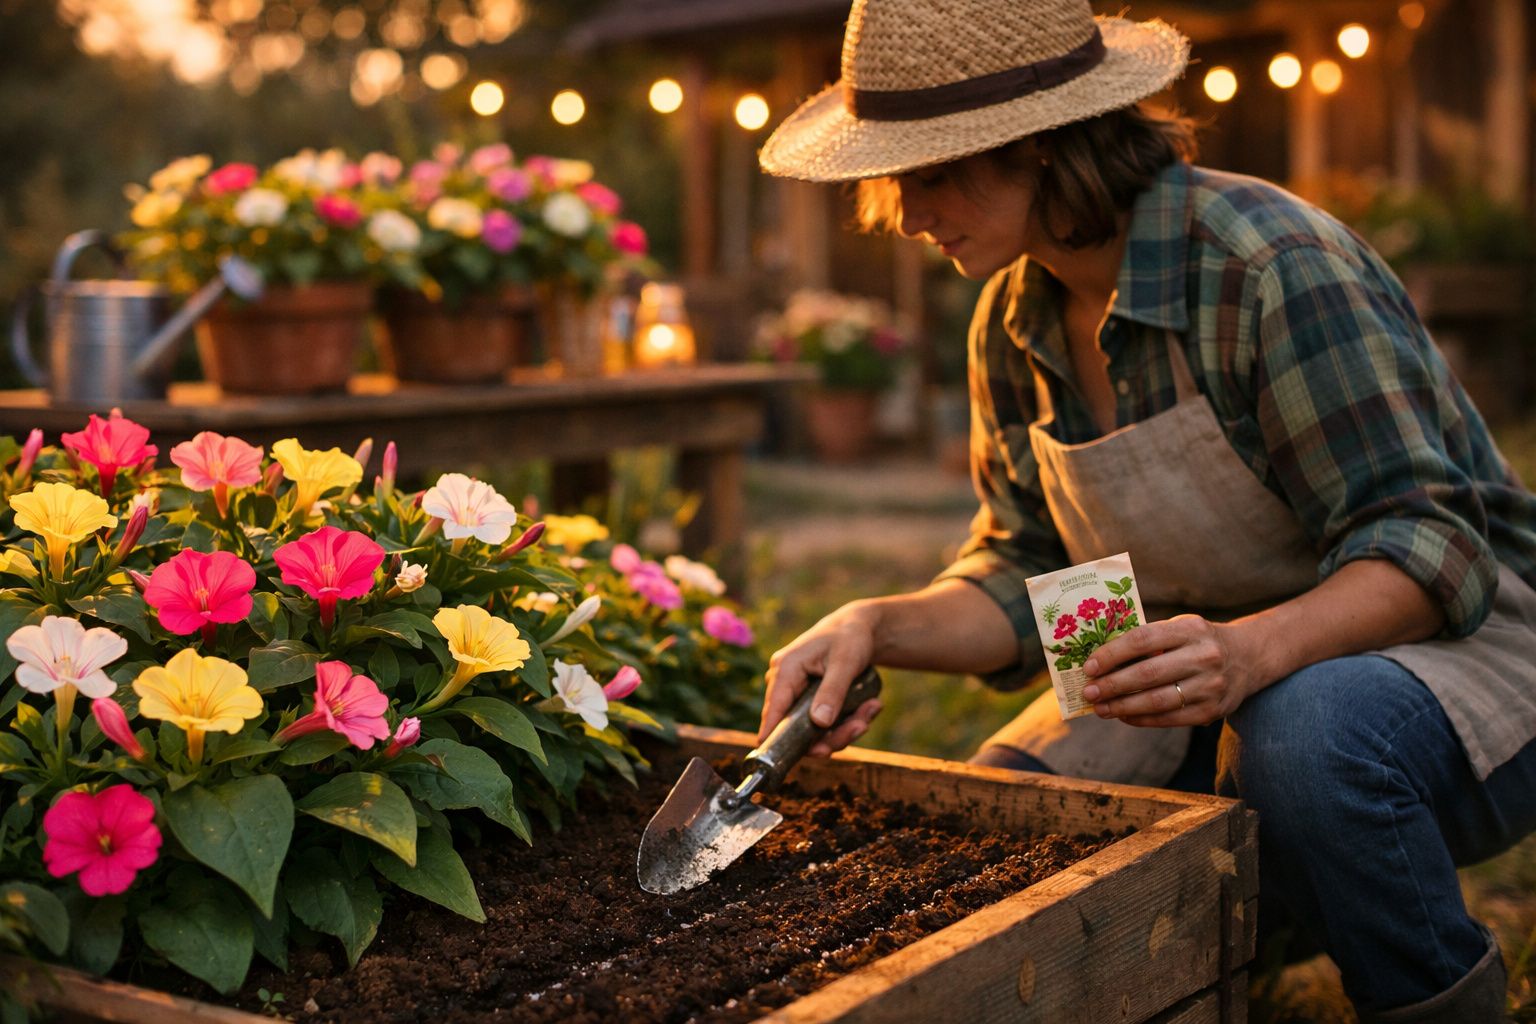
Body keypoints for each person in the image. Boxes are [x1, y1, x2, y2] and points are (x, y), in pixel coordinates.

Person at [754, 1, 1536, 1020]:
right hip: (1204, 670)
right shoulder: (1013, 316)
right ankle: (1238, 943)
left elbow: (1432, 545)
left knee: (1300, 739)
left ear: (1036, 144)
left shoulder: (1265, 265)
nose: (906, 214)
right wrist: (875, 623)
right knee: (1016, 820)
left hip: (1463, 652)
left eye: (931, 172)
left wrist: (1248, 656)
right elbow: (1027, 572)